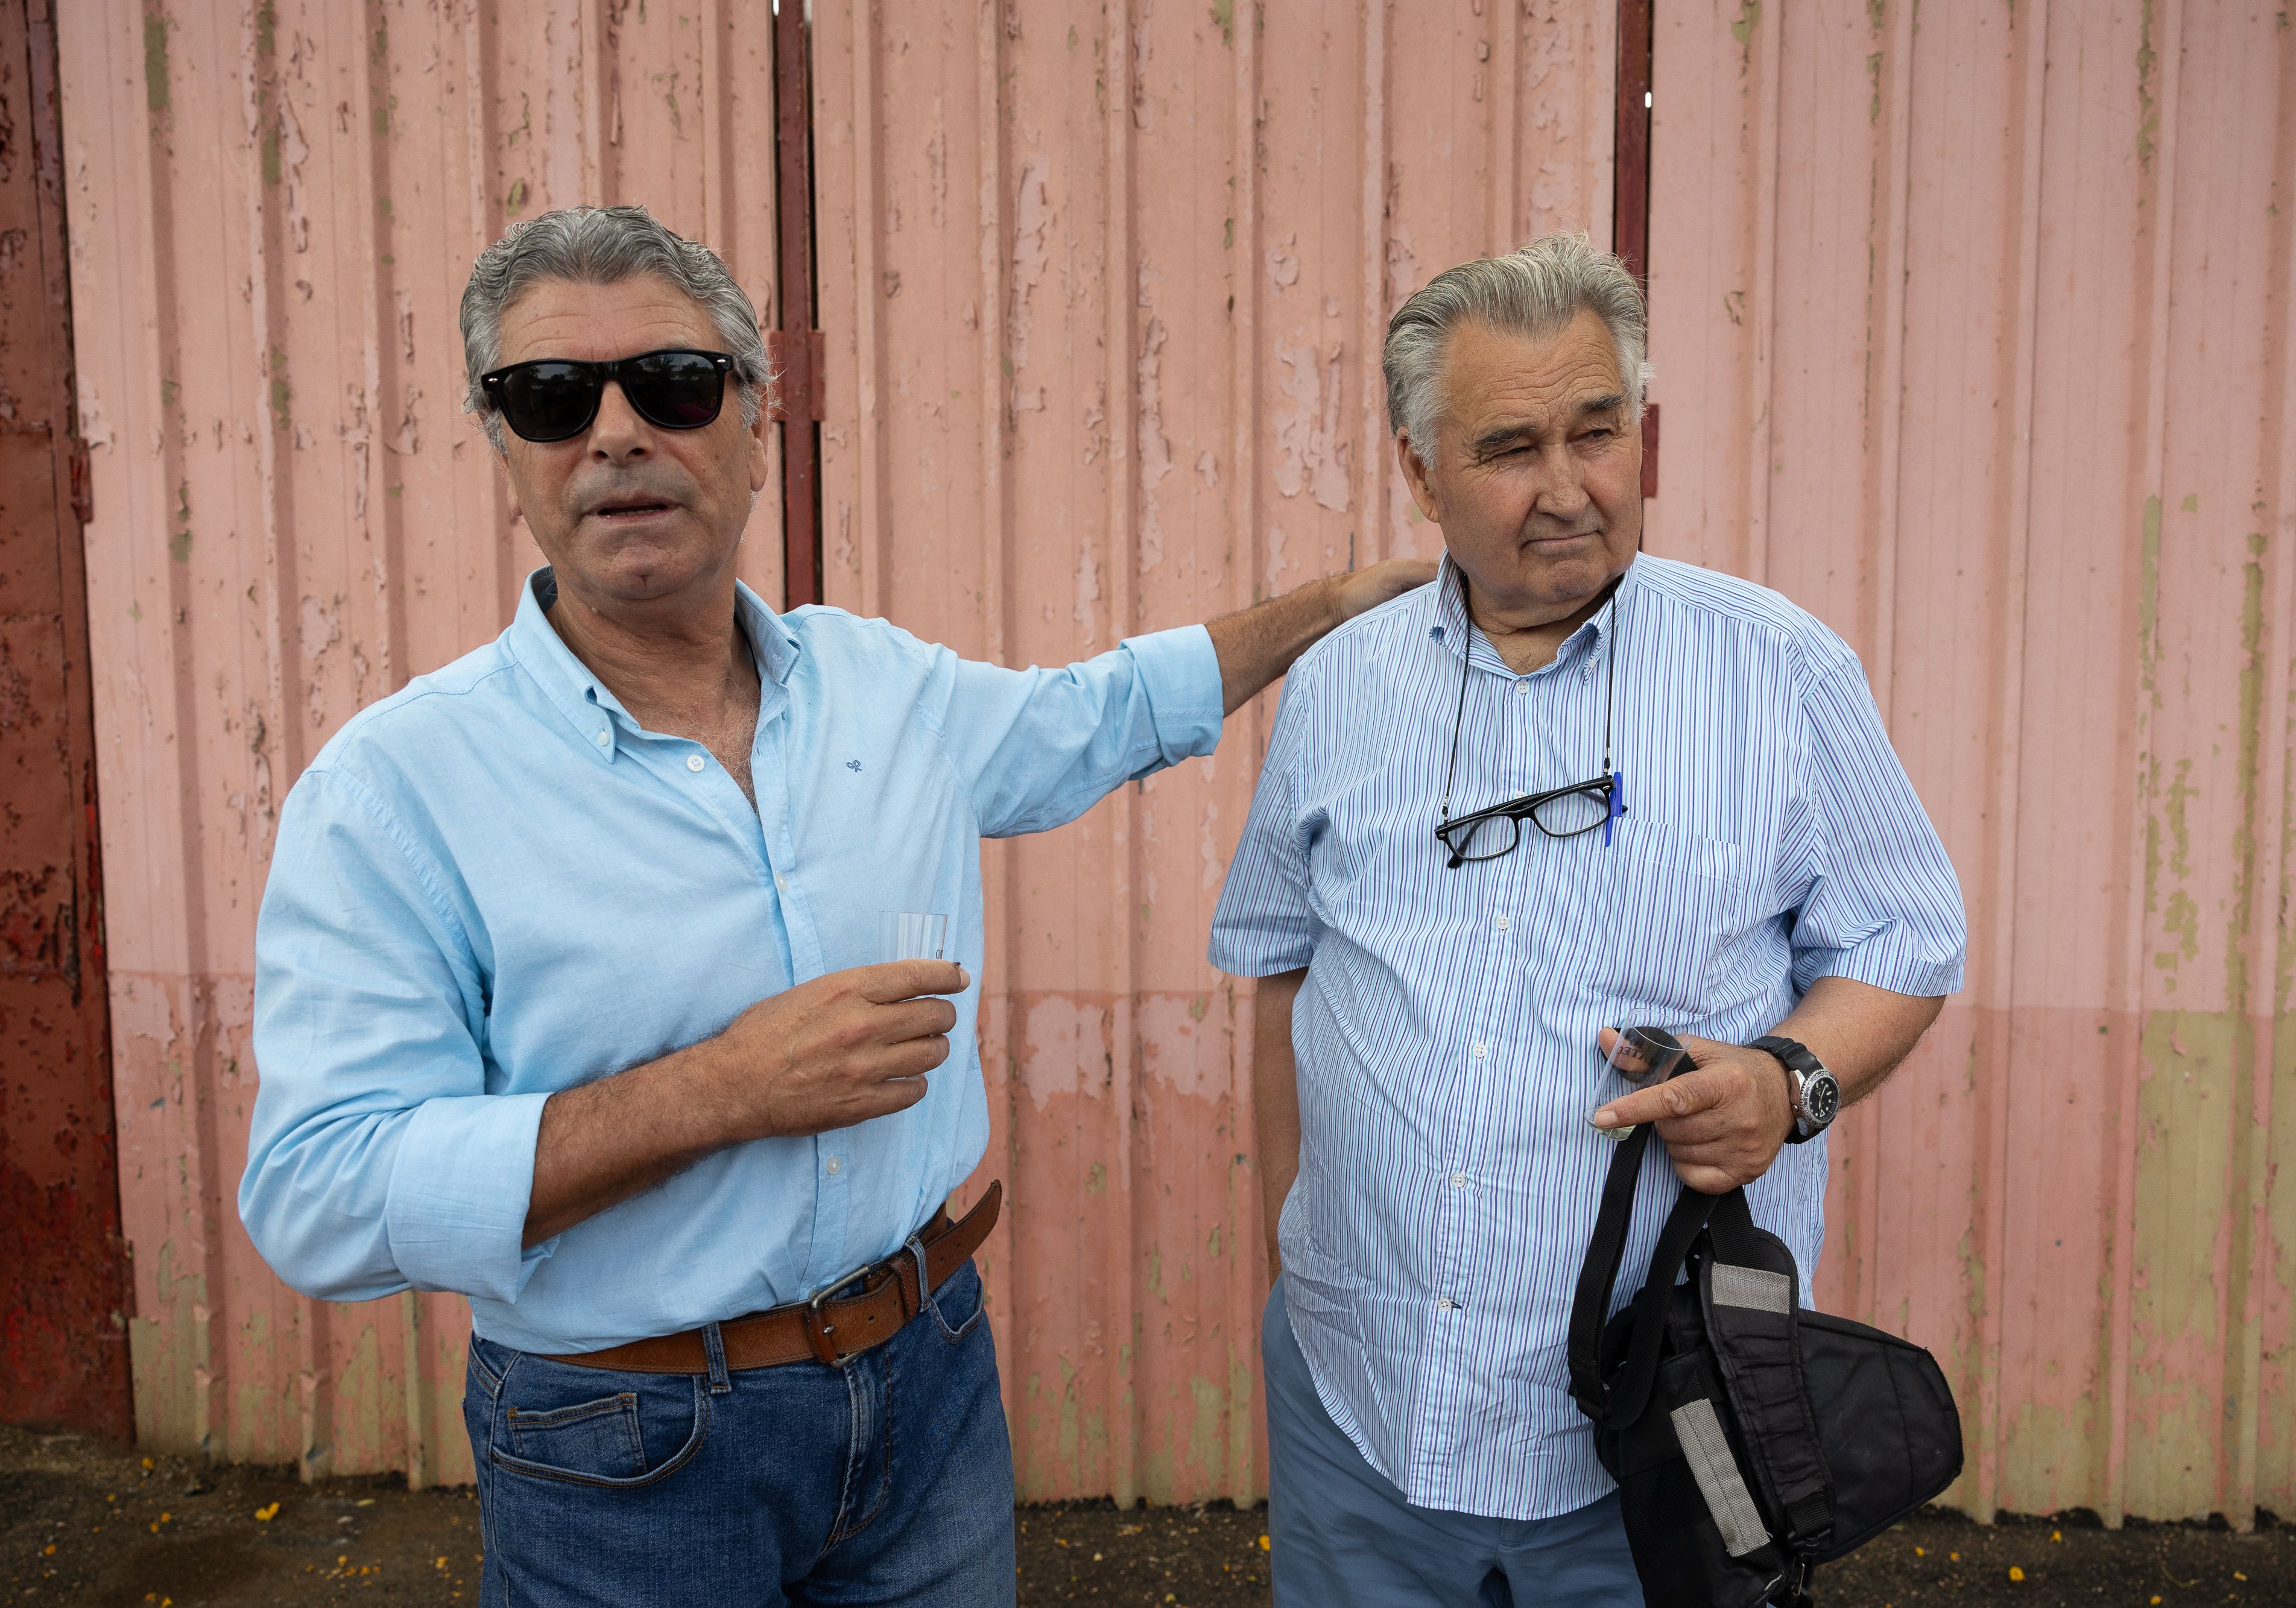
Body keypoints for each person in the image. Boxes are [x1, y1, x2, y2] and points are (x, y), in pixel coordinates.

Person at [237, 204, 1424, 1607]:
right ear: (503, 447)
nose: (616, 432)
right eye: (552, 398)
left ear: (755, 417)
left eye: (671, 385)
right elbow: (317, 1196)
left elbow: (1088, 714)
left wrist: (1344, 601)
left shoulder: (875, 687)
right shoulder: (395, 787)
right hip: (624, 1445)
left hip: (924, 1380)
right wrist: (722, 1090)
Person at [1209, 232, 1967, 1605]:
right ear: (1417, 468)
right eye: (1509, 446)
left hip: (1658, 1423)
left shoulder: (1776, 668)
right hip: (1356, 1403)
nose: (1566, 489)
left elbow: (1903, 943)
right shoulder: (1339, 685)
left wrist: (1785, 1079)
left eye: (1596, 431)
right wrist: (1293, 1241)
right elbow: (1283, 968)